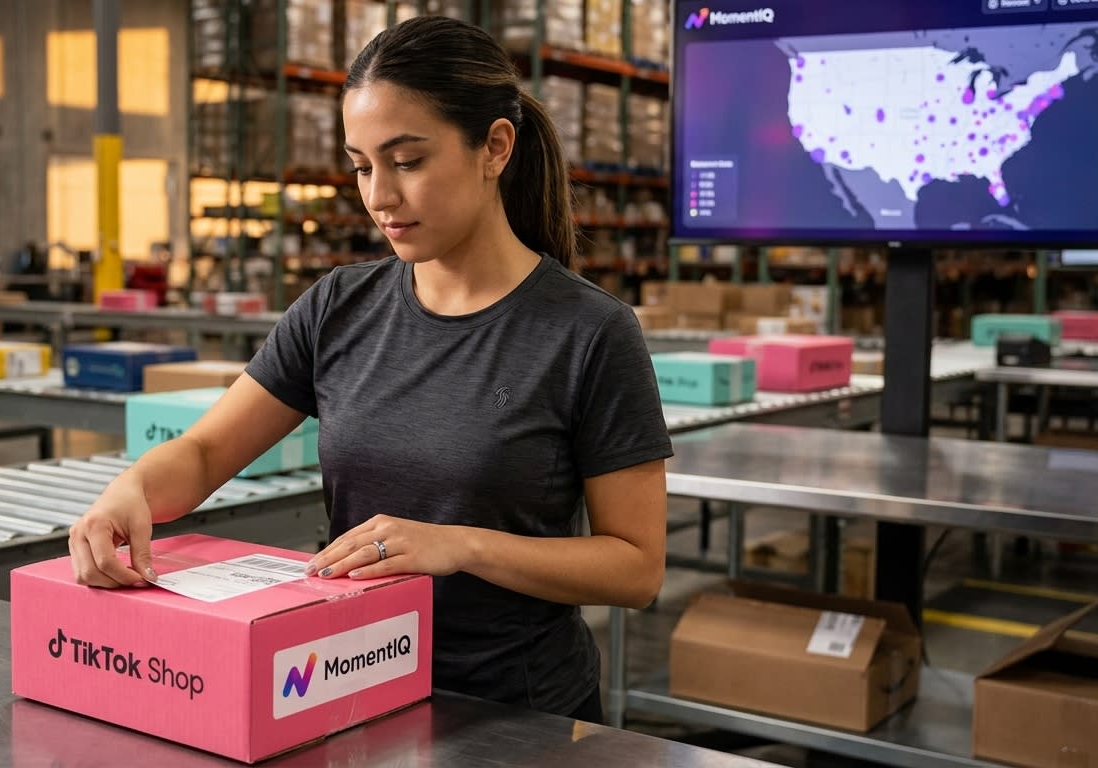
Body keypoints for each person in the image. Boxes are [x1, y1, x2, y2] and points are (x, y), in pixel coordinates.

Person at [68, 16, 672, 723]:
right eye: (361, 165)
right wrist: (131, 488)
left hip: (514, 715)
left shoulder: (588, 332)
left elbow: (636, 567)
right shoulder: (338, 308)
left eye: (407, 161)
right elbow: (205, 452)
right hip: (351, 679)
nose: (379, 195)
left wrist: (459, 544)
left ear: (495, 148)